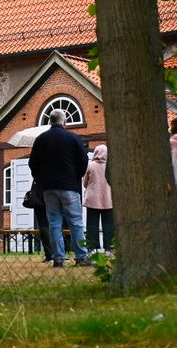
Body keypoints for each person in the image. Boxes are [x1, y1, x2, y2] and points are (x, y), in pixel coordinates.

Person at [29, 109, 89, 268]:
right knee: (75, 222)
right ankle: (81, 256)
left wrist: (41, 179)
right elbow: (84, 161)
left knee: (54, 223)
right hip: (69, 185)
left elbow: (32, 163)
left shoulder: (41, 139)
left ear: (50, 121)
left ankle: (58, 258)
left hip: (49, 188)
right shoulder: (73, 138)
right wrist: (76, 177)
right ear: (65, 123)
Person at [82, 144, 114, 255]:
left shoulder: (91, 165)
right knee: (109, 224)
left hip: (92, 200)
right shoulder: (111, 166)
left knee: (92, 225)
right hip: (108, 199)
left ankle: (92, 249)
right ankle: (109, 249)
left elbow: (85, 183)